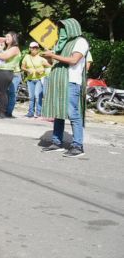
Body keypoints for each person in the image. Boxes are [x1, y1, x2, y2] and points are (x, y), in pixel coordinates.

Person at [41, 18, 89, 158]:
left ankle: (78, 146)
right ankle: (56, 142)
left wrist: (53, 55)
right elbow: (53, 61)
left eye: (64, 28)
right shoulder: (61, 43)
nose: (61, 31)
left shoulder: (80, 41)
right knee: (58, 112)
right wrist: (48, 55)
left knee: (73, 113)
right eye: (60, 28)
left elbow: (74, 60)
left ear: (72, 28)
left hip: (71, 81)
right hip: (58, 80)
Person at [0, 31, 21, 117]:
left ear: (14, 38)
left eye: (8, 37)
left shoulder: (15, 48)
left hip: (6, 72)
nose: (6, 38)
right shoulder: (8, 48)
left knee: (2, 92)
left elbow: (3, 57)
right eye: (6, 37)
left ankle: (2, 112)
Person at [22, 41, 51, 118]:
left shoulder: (41, 58)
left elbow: (50, 66)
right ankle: (30, 112)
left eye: (36, 48)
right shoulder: (26, 57)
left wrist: (42, 71)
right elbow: (22, 67)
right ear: (30, 49)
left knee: (37, 96)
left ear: (38, 49)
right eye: (33, 48)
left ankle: (38, 112)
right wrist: (27, 70)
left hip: (39, 79)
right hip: (30, 79)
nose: (34, 49)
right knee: (31, 97)